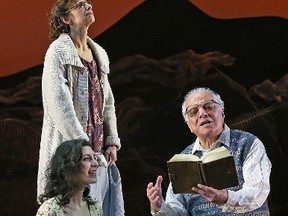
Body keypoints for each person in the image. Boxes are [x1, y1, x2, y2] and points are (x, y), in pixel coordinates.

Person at [37, 0, 124, 215]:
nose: (87, 5)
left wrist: (111, 140)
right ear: (66, 19)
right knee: (69, 208)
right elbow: (59, 105)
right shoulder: (57, 52)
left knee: (97, 209)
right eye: (79, 4)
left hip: (98, 155)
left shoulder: (98, 54)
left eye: (88, 2)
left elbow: (108, 102)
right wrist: (83, 148)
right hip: (72, 156)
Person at [147, 87, 272, 215]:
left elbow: (258, 192)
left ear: (222, 113)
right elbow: (179, 212)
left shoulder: (248, 143)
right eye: (193, 112)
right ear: (189, 125)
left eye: (209, 106)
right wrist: (159, 207)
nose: (202, 113)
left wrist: (226, 198)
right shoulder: (183, 160)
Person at [36, 139, 103, 216]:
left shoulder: (95, 208)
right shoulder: (50, 209)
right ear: (68, 166)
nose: (95, 163)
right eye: (86, 159)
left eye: (95, 158)